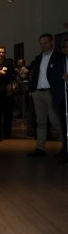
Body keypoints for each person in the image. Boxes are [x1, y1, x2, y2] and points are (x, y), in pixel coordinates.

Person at [27, 34, 67, 162]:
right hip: (38, 92)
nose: (43, 45)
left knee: (56, 122)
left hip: (51, 93)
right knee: (40, 122)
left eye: (46, 43)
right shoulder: (38, 58)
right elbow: (34, 74)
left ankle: (65, 148)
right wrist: (32, 89)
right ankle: (40, 148)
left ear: (52, 42)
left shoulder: (60, 58)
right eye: (41, 43)